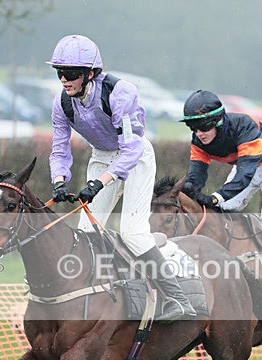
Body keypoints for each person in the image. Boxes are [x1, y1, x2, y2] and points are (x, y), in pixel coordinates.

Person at [46, 34, 195, 320]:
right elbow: (60, 148)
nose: (64, 80)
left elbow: (130, 150)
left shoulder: (120, 93)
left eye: (71, 74)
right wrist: (59, 181)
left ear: (90, 74)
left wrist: (100, 181)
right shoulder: (61, 103)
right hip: (101, 156)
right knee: (86, 234)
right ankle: (97, 295)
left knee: (132, 233)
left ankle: (178, 299)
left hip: (135, 158)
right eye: (59, 72)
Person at [179, 90, 262, 310]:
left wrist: (216, 197)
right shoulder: (199, 140)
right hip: (245, 167)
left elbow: (245, 175)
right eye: (193, 128)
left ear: (218, 121)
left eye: (203, 126)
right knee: (223, 211)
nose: (199, 133)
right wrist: (188, 192)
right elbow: (196, 175)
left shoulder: (245, 127)